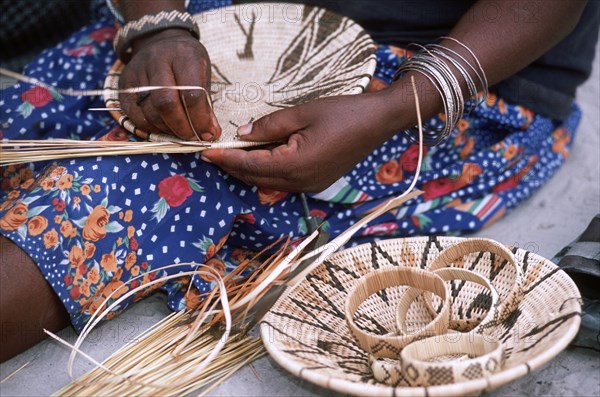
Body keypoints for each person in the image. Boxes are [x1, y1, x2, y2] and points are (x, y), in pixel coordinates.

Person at [0, 0, 597, 362]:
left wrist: (395, 108)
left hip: (443, 74)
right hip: (245, 20)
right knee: (47, 106)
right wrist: (159, 30)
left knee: (150, 184)